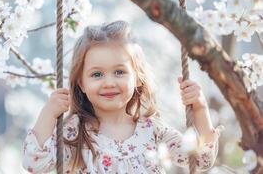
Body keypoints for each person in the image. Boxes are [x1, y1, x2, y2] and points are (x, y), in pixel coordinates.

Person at [22, 20, 223, 173]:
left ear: (137, 78)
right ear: (81, 83)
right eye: (97, 74)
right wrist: (49, 112)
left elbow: (200, 160)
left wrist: (200, 108)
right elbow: (34, 163)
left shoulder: (153, 131)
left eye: (119, 72)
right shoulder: (75, 133)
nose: (109, 82)